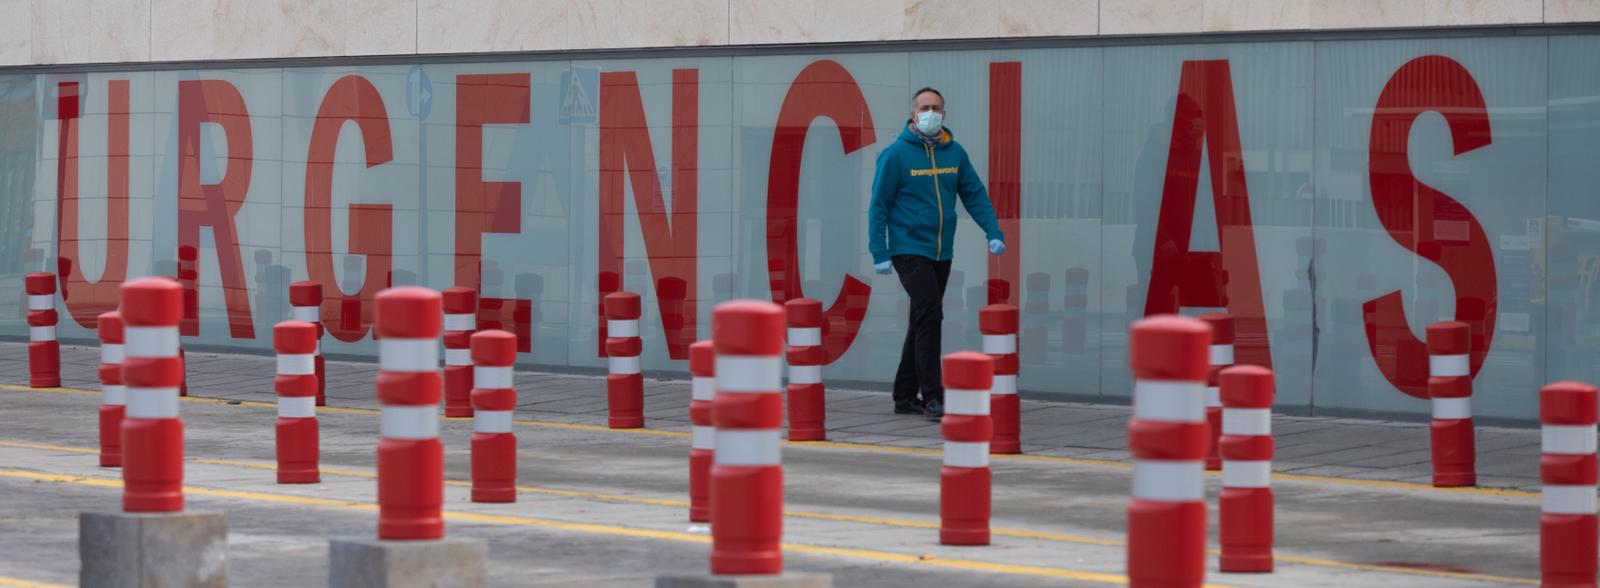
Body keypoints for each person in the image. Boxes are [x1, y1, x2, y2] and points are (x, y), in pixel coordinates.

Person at [867, 86, 1006, 420]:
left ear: (944, 113)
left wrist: (993, 231)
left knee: (922, 317)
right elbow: (878, 205)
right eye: (925, 107)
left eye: (936, 107)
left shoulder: (954, 152)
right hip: (908, 249)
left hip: (942, 250)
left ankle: (903, 395)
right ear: (913, 113)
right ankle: (933, 396)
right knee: (931, 314)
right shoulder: (895, 155)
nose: (931, 112)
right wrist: (879, 251)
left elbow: (974, 194)